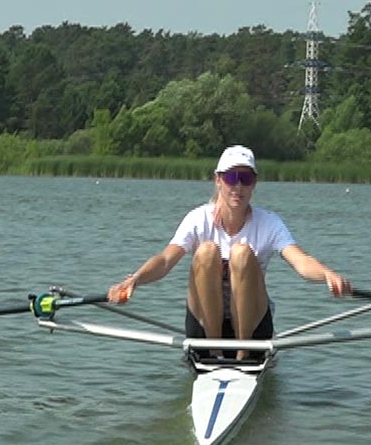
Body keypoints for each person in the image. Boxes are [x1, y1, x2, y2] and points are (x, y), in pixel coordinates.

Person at [107, 145, 352, 360]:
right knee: (205, 252)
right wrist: (135, 279)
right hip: (204, 327)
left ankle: (243, 353)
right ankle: (214, 352)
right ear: (218, 180)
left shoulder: (268, 222)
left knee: (242, 253)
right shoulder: (198, 219)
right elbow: (165, 260)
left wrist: (328, 274)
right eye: (231, 177)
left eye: (245, 178)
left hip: (253, 328)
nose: (237, 186)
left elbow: (301, 261)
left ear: (254, 183)